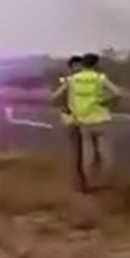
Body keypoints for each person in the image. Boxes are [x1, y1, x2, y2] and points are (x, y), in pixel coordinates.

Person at [52, 53, 120, 191]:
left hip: (82, 120)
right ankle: (97, 180)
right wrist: (104, 100)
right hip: (96, 118)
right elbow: (117, 92)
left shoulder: (72, 80)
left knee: (87, 153)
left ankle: (89, 181)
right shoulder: (99, 78)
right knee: (98, 152)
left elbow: (54, 96)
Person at [53, 55, 84, 189]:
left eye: (80, 65)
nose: (79, 68)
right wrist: (65, 108)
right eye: (76, 66)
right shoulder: (68, 81)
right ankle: (79, 180)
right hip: (72, 119)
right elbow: (56, 96)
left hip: (87, 118)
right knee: (77, 151)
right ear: (71, 68)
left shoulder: (86, 81)